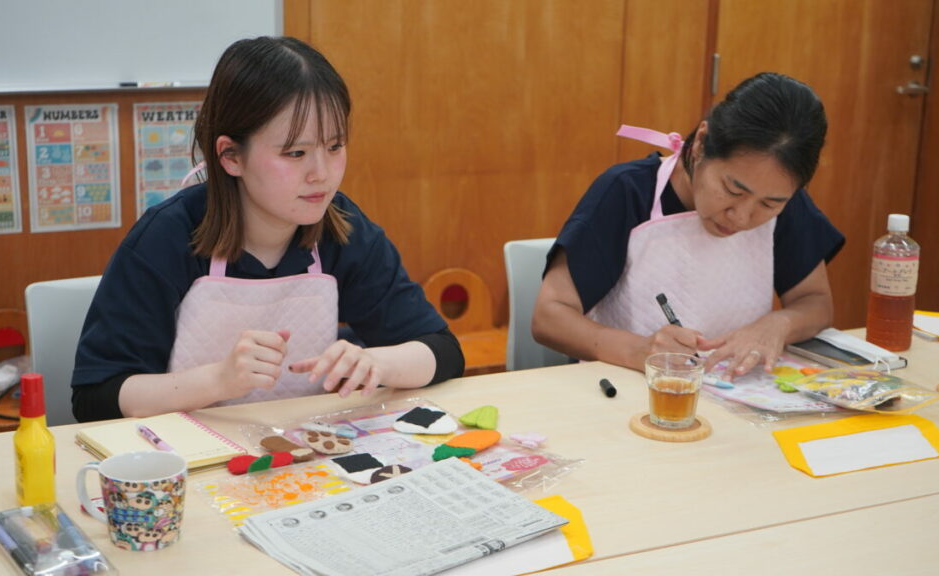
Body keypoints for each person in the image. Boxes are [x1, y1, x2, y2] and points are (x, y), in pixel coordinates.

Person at [72, 37, 464, 422]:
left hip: (301, 451)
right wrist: (218, 380)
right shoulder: (165, 238)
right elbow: (97, 397)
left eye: (335, 147)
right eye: (295, 153)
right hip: (187, 453)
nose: (322, 174)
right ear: (231, 156)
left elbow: (443, 351)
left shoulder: (344, 230)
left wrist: (377, 361)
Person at [533, 72, 844, 378]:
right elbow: (549, 316)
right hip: (628, 389)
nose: (741, 217)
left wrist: (778, 325)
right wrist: (638, 350)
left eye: (769, 205)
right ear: (701, 144)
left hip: (731, 391)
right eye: (733, 190)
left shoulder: (783, 198)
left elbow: (815, 302)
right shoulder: (627, 192)